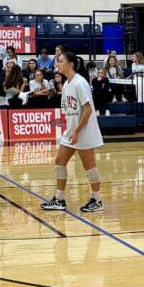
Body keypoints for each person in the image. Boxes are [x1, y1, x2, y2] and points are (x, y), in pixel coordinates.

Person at [41, 52, 105, 213]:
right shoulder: (67, 84)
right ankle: (59, 199)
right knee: (59, 162)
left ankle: (97, 200)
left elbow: (88, 109)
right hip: (71, 132)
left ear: (70, 64)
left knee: (89, 167)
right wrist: (69, 129)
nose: (57, 64)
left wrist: (77, 131)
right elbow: (70, 112)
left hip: (83, 132)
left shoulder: (79, 83)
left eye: (60, 61)